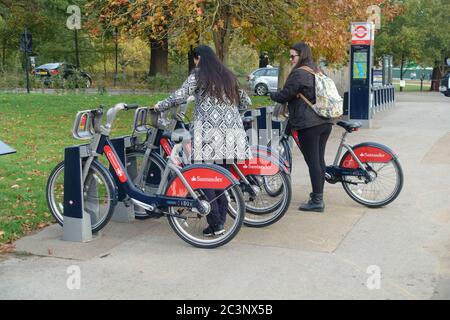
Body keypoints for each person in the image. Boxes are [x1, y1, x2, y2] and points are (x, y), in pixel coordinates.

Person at [154, 45, 252, 235]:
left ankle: (215, 221)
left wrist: (160, 106)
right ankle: (219, 223)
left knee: (204, 176)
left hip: (208, 134)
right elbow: (246, 102)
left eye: (194, 59)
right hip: (233, 134)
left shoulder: (200, 74)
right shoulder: (227, 74)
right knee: (221, 179)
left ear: (198, 58)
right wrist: (231, 117)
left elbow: (181, 95)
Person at [269, 42, 333, 212]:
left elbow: (285, 95)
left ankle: (317, 201)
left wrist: (272, 94)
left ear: (301, 55)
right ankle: (317, 196)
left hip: (309, 123)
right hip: (324, 121)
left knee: (313, 161)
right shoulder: (317, 70)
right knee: (319, 160)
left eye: (293, 56)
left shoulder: (299, 73)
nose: (290, 60)